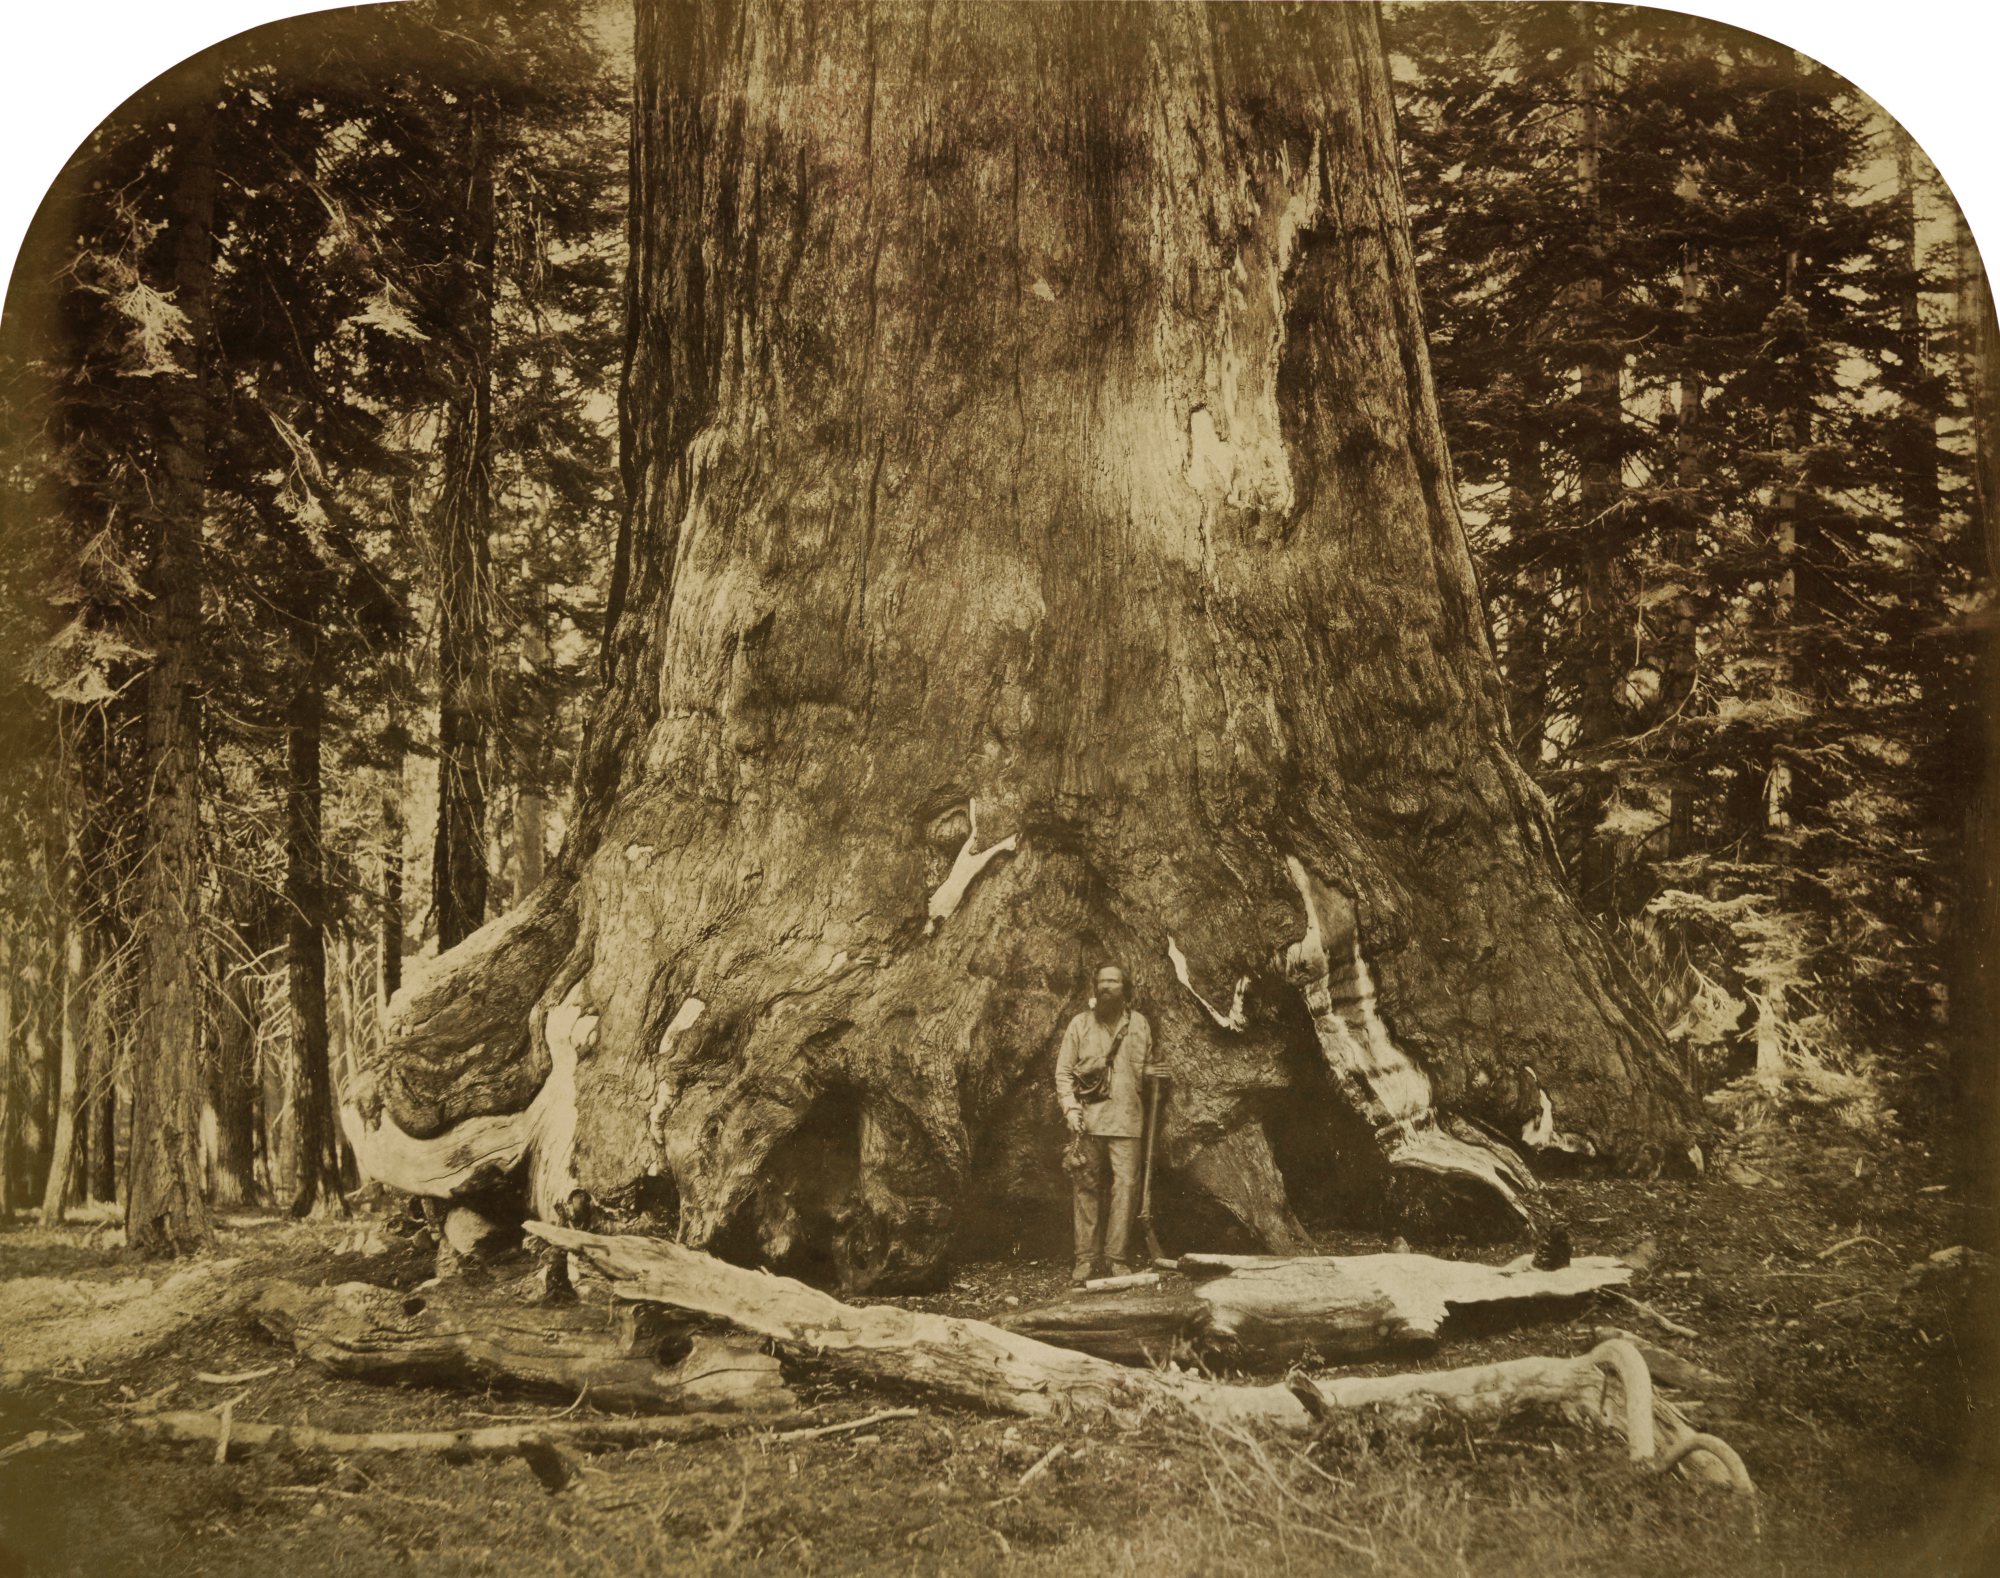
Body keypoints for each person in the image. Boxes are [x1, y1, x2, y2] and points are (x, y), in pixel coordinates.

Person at [1053, 963, 1166, 1285]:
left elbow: (1137, 1070)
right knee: (1085, 1189)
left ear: (1124, 988)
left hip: (1128, 1120)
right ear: (1094, 988)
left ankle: (1116, 1258)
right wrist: (1070, 1109)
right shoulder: (1080, 1024)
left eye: (1114, 982)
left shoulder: (1140, 1025)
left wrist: (1150, 1074)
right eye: (1102, 982)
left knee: (1126, 1189)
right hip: (1087, 1121)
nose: (1107, 987)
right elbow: (1063, 1072)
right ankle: (1085, 1260)